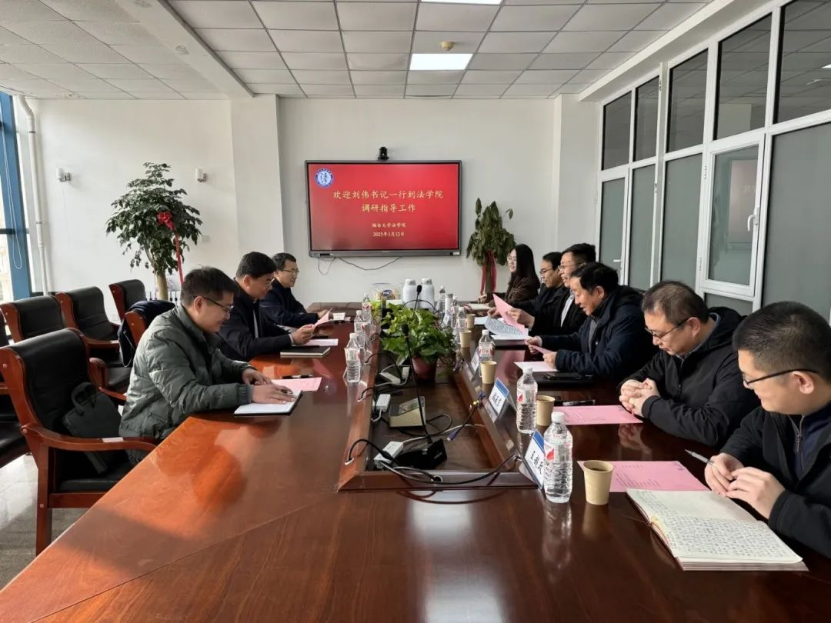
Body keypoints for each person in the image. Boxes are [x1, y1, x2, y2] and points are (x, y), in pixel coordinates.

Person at [120, 267, 295, 464]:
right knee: (247, 459)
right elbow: (187, 397)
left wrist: (244, 370)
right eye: (226, 309)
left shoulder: (195, 326)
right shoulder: (162, 338)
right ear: (199, 303)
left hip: (183, 423)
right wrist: (249, 393)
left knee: (258, 450)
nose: (228, 316)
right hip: (153, 440)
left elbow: (221, 361)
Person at [705, 302, 831, 558]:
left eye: (751, 378)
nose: (747, 386)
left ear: (801, 381)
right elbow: (749, 431)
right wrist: (731, 455)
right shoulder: (781, 407)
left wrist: (781, 507)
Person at [619, 281, 758, 447]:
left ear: (692, 325)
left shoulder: (739, 357)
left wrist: (650, 405)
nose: (655, 342)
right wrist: (629, 387)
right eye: (651, 332)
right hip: (669, 444)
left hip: (711, 457)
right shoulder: (673, 347)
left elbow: (713, 428)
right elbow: (643, 374)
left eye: (659, 334)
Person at [526, 262, 654, 382]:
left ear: (599, 292)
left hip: (617, 388)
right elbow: (579, 339)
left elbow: (612, 363)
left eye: (578, 294)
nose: (576, 302)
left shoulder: (627, 316)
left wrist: (564, 360)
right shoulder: (599, 308)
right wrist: (543, 341)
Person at [219, 252, 314, 361]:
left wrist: (295, 336)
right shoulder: (228, 303)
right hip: (237, 368)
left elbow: (266, 327)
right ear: (247, 281)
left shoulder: (252, 296)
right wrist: (291, 338)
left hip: (256, 362)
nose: (270, 287)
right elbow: (246, 346)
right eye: (267, 282)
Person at [262, 252, 329, 327]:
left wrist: (303, 317)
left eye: (296, 271)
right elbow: (283, 318)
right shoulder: (268, 291)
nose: (295, 276)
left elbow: (297, 307)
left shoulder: (285, 288)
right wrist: (316, 316)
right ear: (276, 272)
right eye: (291, 271)